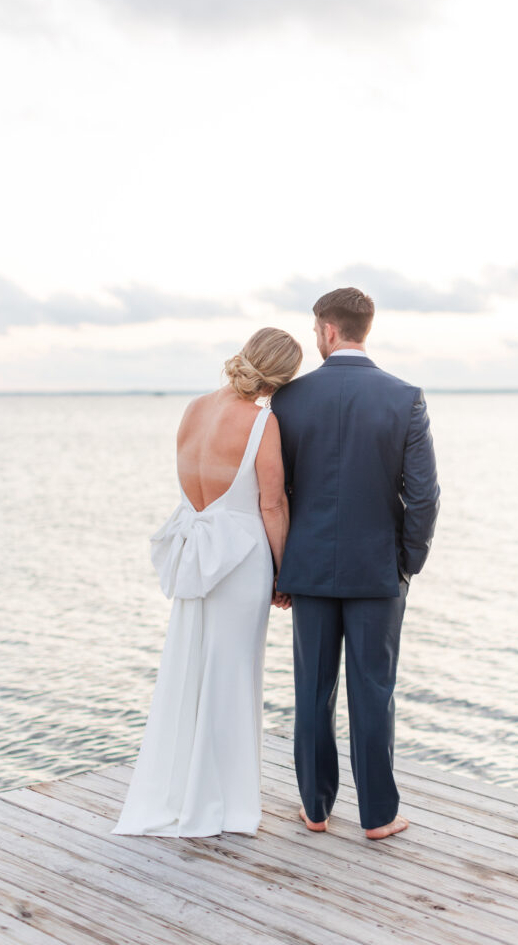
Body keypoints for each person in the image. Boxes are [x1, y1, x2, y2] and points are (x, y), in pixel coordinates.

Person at [111, 327, 302, 838]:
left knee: (192, 671)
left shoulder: (193, 409)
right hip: (240, 558)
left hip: (198, 548)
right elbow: (271, 504)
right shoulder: (263, 422)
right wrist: (285, 572)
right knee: (233, 677)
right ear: (282, 379)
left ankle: (180, 791)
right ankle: (223, 803)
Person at [270, 287, 440, 840]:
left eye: (316, 330)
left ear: (328, 330)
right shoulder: (405, 397)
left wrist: (282, 566)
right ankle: (378, 816)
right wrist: (406, 562)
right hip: (377, 570)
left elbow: (275, 491)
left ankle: (315, 809)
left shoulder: (288, 400)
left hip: (310, 567)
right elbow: (425, 495)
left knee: (312, 690)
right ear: (366, 328)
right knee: (374, 690)